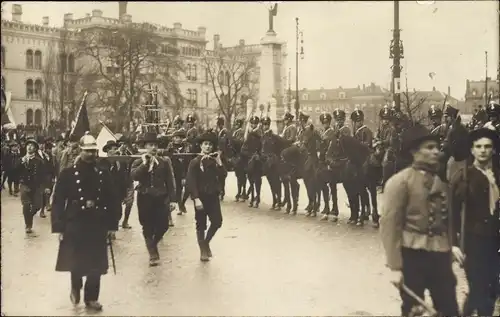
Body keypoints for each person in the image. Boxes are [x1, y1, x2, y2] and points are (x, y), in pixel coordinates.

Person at [379, 123, 460, 317]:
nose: (436, 152)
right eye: (429, 148)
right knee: (414, 310)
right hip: (412, 256)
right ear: (414, 152)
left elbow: (447, 220)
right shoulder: (400, 182)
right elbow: (390, 225)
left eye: (437, 148)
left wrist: (453, 245)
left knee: (449, 308)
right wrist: (395, 267)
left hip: (440, 254)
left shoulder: (441, 183)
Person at [51, 132, 120, 311]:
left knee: (96, 262)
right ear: (80, 151)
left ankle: (92, 298)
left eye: (93, 151)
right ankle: (75, 284)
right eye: (87, 151)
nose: (91, 154)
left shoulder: (103, 173)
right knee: (77, 260)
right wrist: (59, 226)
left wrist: (113, 224)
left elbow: (113, 199)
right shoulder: (68, 174)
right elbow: (58, 200)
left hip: (97, 221)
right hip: (75, 221)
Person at [450, 128, 499, 316]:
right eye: (478, 146)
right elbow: (452, 214)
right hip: (473, 242)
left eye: (488, 146)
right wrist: (454, 245)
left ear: (494, 150)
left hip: (496, 242)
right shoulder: (463, 178)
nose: (483, 150)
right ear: (472, 150)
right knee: (480, 288)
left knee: (493, 289)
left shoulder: (498, 175)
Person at [131, 132, 177, 267]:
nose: (154, 148)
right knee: (147, 225)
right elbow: (134, 176)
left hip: (160, 197)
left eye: (156, 145)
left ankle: (152, 243)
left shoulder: (164, 162)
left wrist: (173, 199)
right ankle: (153, 253)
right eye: (151, 145)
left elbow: (170, 180)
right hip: (145, 197)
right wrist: (145, 164)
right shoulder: (138, 161)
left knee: (163, 225)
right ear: (145, 147)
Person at [186, 130, 226, 261]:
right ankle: (202, 250)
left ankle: (205, 242)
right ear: (201, 146)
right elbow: (191, 182)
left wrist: (219, 162)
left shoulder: (214, 160)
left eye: (210, 144)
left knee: (217, 221)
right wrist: (196, 198)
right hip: (201, 197)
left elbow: (223, 175)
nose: (208, 147)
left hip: (213, 196)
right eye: (205, 144)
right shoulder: (195, 162)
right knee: (201, 224)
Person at [19, 137, 45, 234]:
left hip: (36, 186)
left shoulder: (39, 161)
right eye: (28, 145)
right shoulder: (21, 159)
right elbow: (15, 170)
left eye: (32, 146)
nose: (29, 147)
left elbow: (44, 174)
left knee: (37, 206)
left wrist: (45, 186)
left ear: (35, 148)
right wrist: (21, 162)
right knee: (26, 205)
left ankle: (29, 217)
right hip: (25, 185)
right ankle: (28, 225)